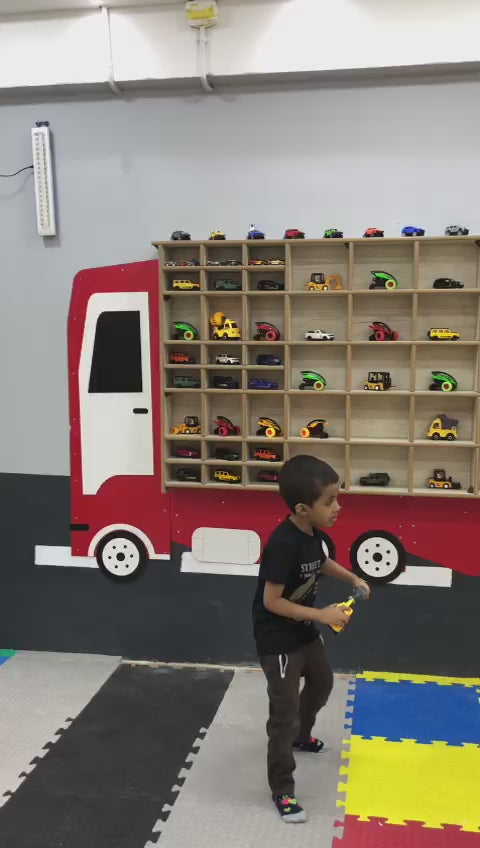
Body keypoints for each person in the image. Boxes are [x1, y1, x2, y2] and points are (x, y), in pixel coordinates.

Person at [252, 454, 370, 823]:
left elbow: (321, 561)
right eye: (330, 501)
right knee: (283, 714)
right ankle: (282, 790)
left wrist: (353, 578)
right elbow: (272, 602)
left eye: (338, 498)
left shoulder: (314, 535)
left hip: (302, 628)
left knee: (322, 683)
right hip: (277, 639)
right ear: (303, 509)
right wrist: (323, 615)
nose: (338, 507)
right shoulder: (283, 543)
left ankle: (302, 737)